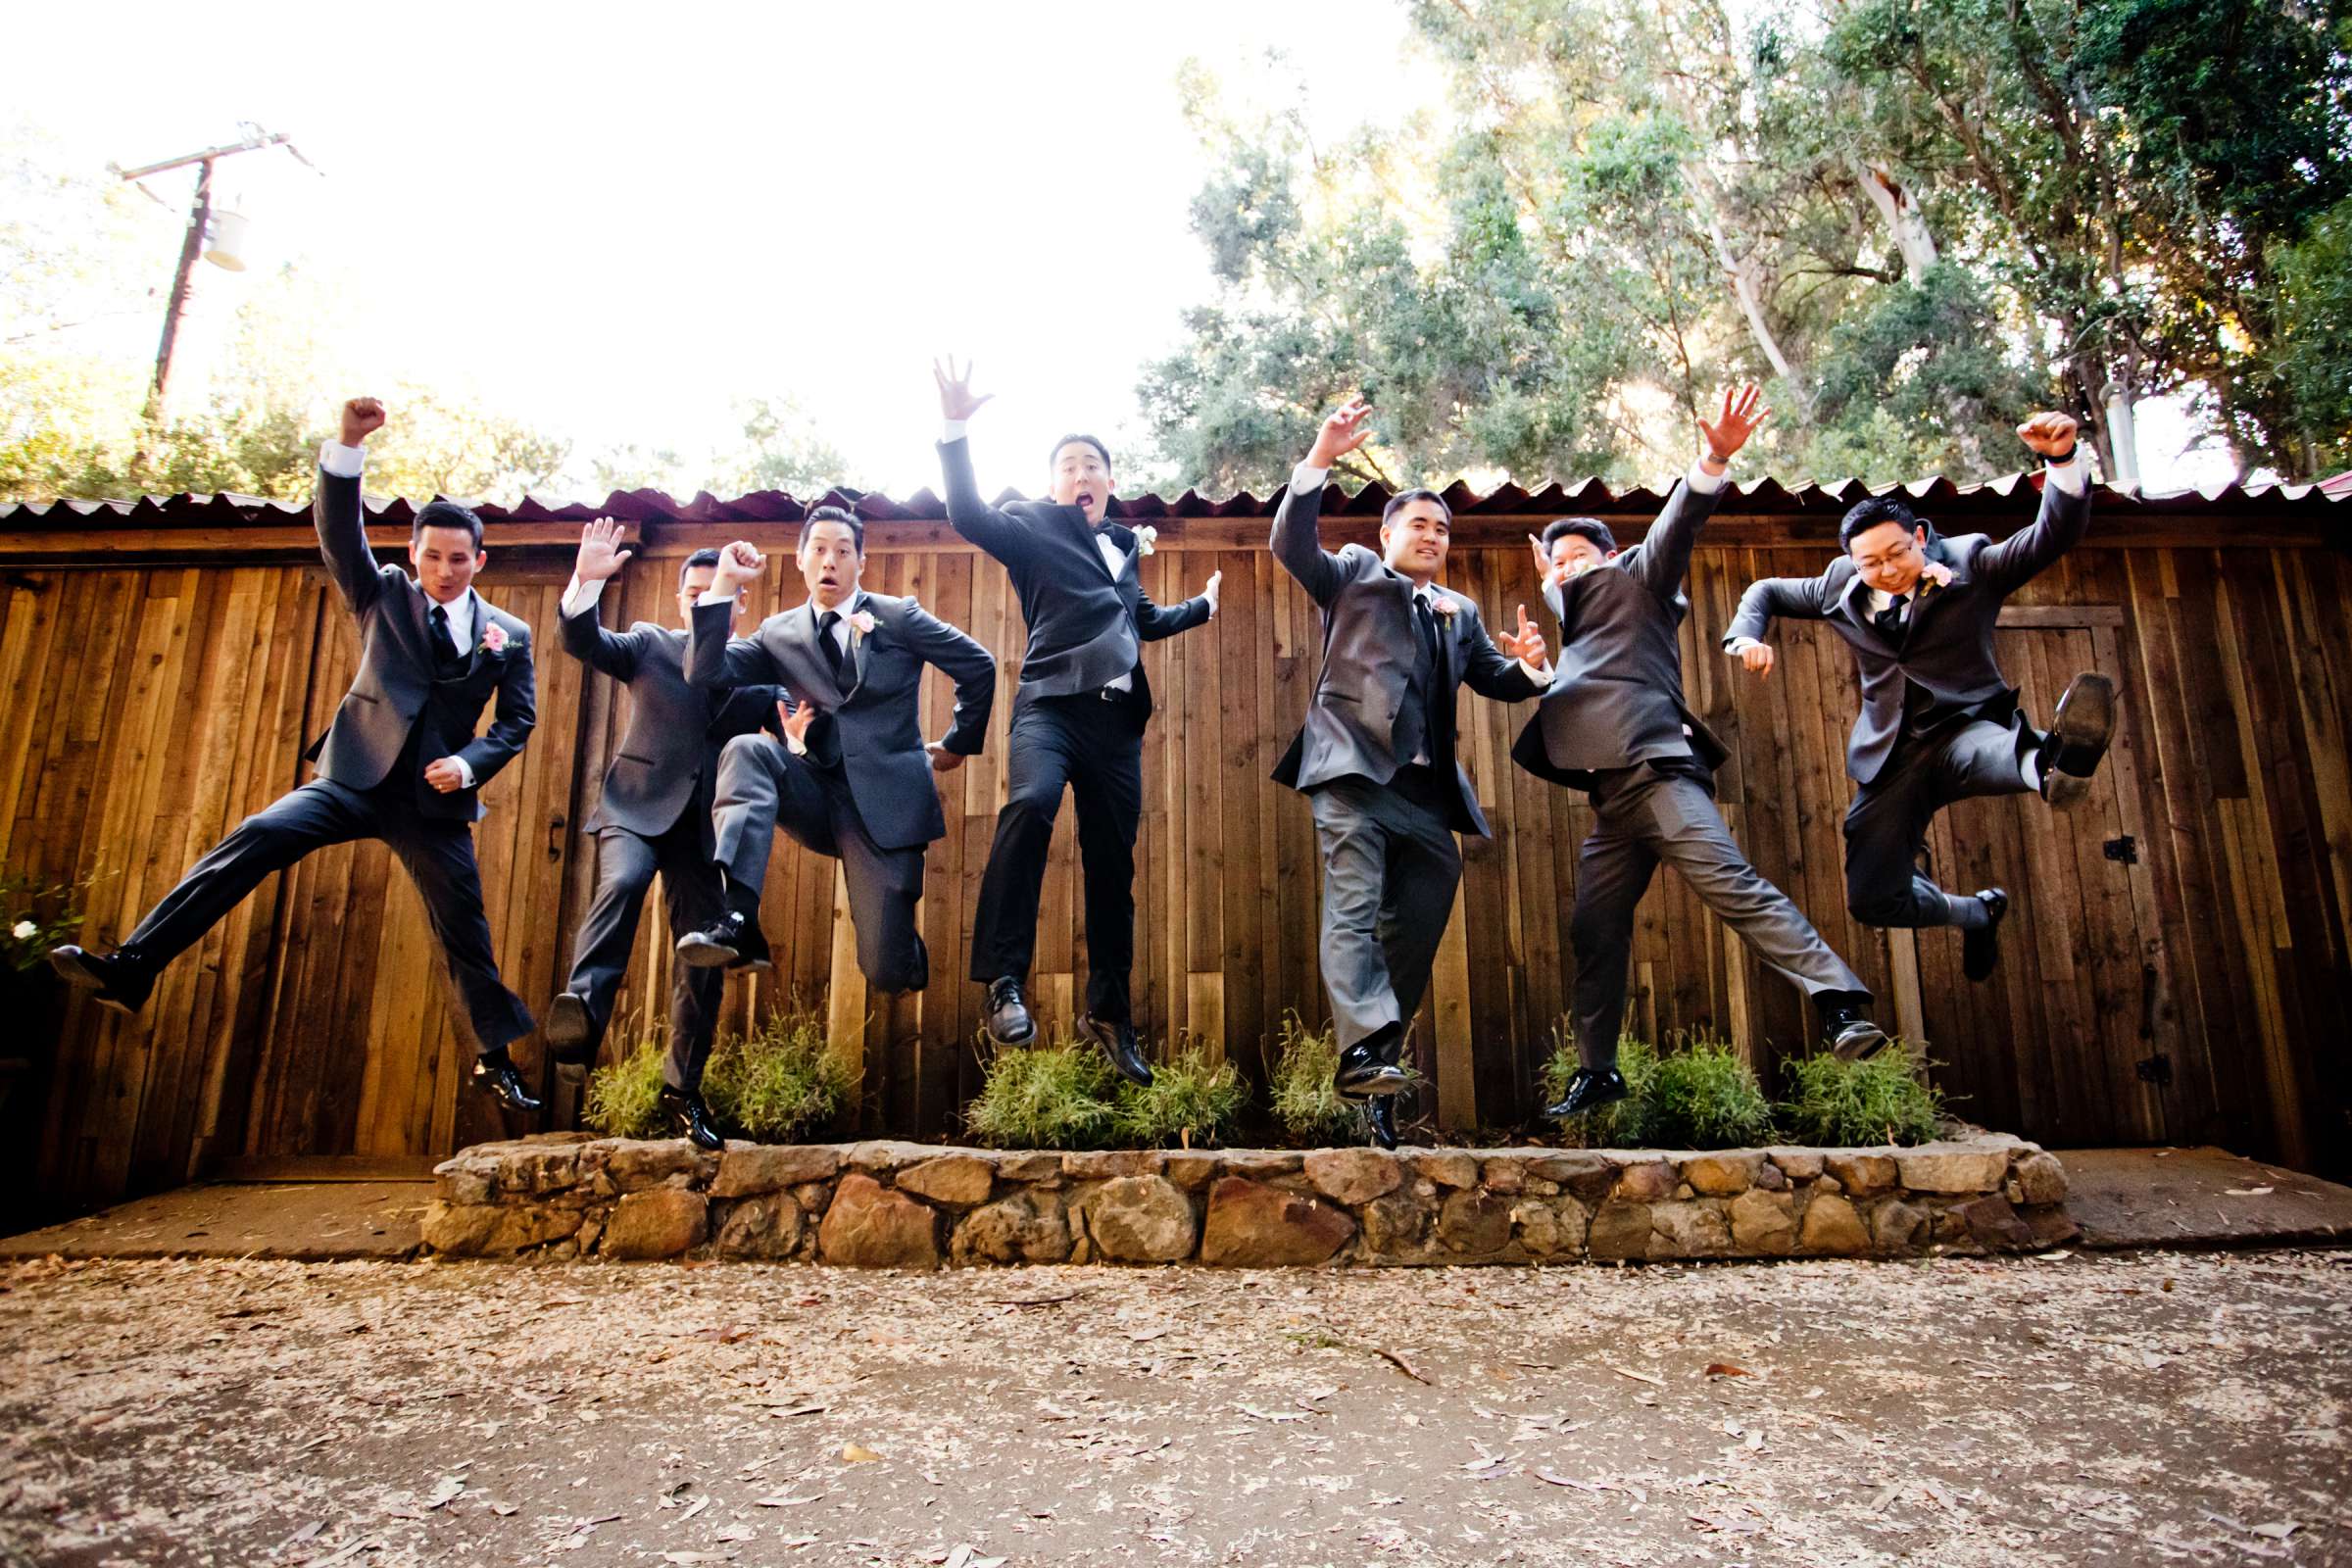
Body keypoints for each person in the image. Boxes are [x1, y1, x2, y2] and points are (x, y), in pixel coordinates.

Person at [49, 396, 544, 1112]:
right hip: (354, 775)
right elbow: (340, 533)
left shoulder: (509, 633)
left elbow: (517, 724)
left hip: (431, 802)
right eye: (431, 556)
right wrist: (347, 444)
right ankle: (132, 966)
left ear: (480, 560)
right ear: (414, 554)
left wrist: (469, 764)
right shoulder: (380, 595)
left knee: (464, 930)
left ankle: (494, 1061)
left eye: (458, 559)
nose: (444, 569)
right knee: (258, 836)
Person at [1511, 386, 1885, 1122]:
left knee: (1732, 885)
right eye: (1556, 565)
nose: (1566, 570)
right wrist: (1538, 666)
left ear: (1612, 558)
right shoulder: (1574, 633)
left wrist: (1712, 458)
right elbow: (1564, 614)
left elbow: (1678, 526)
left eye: (1580, 557)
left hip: (1658, 775)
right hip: (1611, 804)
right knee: (1594, 927)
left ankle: (1840, 1002)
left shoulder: (1639, 583)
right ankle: (1598, 1070)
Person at [1722, 411, 2113, 983]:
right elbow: (1766, 590)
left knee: (1992, 752)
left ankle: (2054, 764)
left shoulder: (1974, 564)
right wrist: (1746, 634)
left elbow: (2052, 536)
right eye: (1870, 562)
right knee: (1872, 899)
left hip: (1964, 723)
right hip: (1890, 755)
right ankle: (1977, 913)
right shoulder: (1838, 585)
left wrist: (2062, 462)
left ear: (1922, 537)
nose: (1885, 571)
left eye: (1897, 554)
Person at [1269, 398, 1552, 1148]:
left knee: (1414, 937)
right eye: (1418, 525)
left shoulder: (1458, 609)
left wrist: (1532, 669)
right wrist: (1320, 460)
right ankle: (1362, 1051)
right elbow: (1293, 547)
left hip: (1428, 801)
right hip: (1352, 775)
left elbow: (1494, 678)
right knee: (1355, 910)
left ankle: (1374, 1079)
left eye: (1441, 529)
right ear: (1387, 533)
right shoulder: (1354, 574)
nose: (1432, 536)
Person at [932, 358, 1220, 1084]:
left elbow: (1141, 620)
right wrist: (955, 428)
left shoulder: (1124, 547)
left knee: (1111, 867)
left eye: (1093, 464)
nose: (1081, 473)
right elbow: (966, 514)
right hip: (1050, 709)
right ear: (1055, 484)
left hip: (1116, 726)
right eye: (1069, 465)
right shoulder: (1031, 528)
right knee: (1028, 807)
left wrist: (1206, 608)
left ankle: (1111, 1015)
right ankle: (1002, 983)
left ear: (1110, 483)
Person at [674, 507, 995, 1022]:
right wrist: (723, 587)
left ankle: (903, 952)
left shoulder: (897, 616)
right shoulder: (777, 634)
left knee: (887, 972)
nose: (830, 560)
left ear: (861, 562)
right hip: (819, 796)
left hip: (887, 813)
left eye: (843, 551)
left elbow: (978, 666)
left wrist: (959, 742)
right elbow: (705, 670)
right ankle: (737, 917)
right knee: (747, 749)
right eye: (819, 549)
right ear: (801, 560)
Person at [542, 523, 785, 1149]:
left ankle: (683, 1091)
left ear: (739, 602)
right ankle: (582, 1018)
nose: (707, 601)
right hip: (635, 807)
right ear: (682, 601)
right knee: (620, 882)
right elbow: (583, 641)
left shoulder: (756, 673)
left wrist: (804, 733)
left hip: (702, 834)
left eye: (719, 593)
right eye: (695, 592)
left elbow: (792, 743)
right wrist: (585, 583)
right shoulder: (649, 645)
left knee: (700, 961)